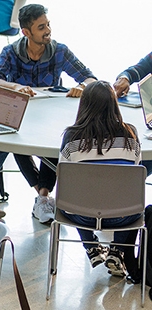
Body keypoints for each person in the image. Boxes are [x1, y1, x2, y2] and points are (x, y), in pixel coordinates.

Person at [0, 3, 98, 224]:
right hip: (22, 115)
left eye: (48, 24)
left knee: (55, 142)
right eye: (41, 27)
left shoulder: (59, 50)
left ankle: (42, 195)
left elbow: (90, 78)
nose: (48, 30)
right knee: (14, 141)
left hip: (51, 117)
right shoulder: (11, 52)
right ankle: (43, 194)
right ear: (26, 33)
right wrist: (15, 88)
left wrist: (83, 86)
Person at [59, 81, 144, 282]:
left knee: (75, 193)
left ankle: (91, 247)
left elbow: (63, 178)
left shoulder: (72, 136)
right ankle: (117, 250)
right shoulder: (130, 134)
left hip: (82, 215)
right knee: (131, 198)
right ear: (114, 104)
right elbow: (135, 171)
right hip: (122, 216)